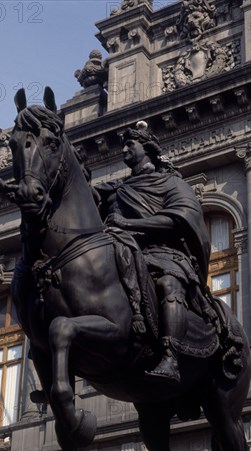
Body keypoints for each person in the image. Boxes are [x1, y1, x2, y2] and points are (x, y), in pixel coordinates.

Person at [95, 121, 212, 383]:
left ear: (145, 148)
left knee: (169, 284)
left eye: (129, 144)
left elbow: (179, 218)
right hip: (123, 251)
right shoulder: (115, 189)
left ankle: (170, 357)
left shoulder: (170, 183)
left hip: (164, 254)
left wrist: (129, 224)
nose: (123, 150)